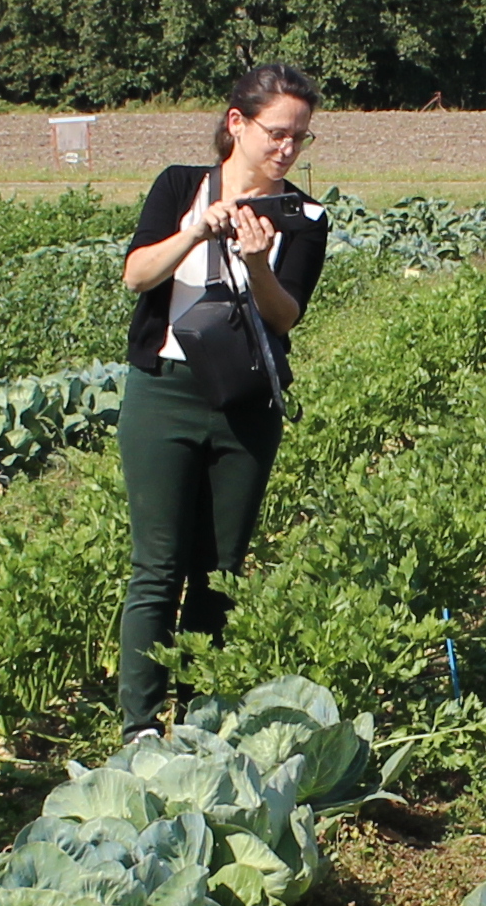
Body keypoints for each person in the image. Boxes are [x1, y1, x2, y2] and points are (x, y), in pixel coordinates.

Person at [114, 62, 328, 728]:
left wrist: (259, 262)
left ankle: (200, 719)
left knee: (220, 573)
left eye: (300, 138)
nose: (286, 149)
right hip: (163, 396)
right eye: (276, 134)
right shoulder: (180, 187)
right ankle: (140, 731)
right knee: (158, 567)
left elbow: (286, 317)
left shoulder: (305, 217)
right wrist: (195, 233)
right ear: (237, 123)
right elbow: (136, 275)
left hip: (245, 405)